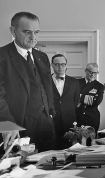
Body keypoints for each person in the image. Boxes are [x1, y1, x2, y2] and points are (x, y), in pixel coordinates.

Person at [0, 12, 56, 152]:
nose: (33, 37)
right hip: (17, 126)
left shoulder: (42, 56)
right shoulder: (2, 56)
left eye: (36, 32)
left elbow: (48, 87)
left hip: (45, 124)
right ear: (13, 31)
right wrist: (8, 124)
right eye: (27, 32)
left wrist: (50, 112)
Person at [51, 54, 80, 149]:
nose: (60, 67)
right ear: (52, 65)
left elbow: (75, 102)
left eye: (63, 64)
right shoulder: (45, 81)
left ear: (66, 65)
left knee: (70, 150)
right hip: (51, 122)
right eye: (57, 64)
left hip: (69, 122)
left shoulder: (74, 82)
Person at [76, 63, 104, 133]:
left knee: (91, 141)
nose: (93, 75)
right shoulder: (76, 82)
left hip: (92, 117)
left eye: (95, 73)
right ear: (86, 70)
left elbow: (97, 101)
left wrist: (80, 97)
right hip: (78, 116)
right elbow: (72, 98)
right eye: (91, 72)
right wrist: (89, 98)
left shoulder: (99, 86)